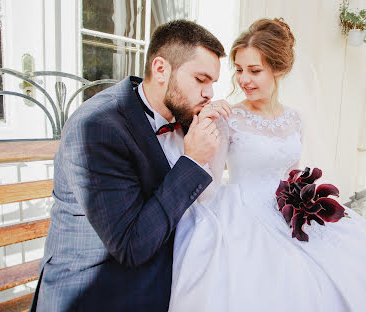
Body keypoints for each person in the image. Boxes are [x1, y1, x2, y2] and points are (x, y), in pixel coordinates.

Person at [168, 18, 366, 311]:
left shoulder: (295, 119)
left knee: (357, 271)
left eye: (255, 70)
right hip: (242, 212)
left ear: (278, 69)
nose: (244, 79)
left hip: (288, 209)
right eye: (239, 70)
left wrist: (304, 203)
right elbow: (210, 190)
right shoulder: (228, 117)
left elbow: (291, 173)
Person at [30, 20, 228, 311]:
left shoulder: (179, 117)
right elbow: (132, 246)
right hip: (100, 292)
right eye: (201, 80)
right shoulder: (97, 127)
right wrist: (193, 160)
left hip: (162, 270)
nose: (210, 93)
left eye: (213, 83)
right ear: (161, 69)